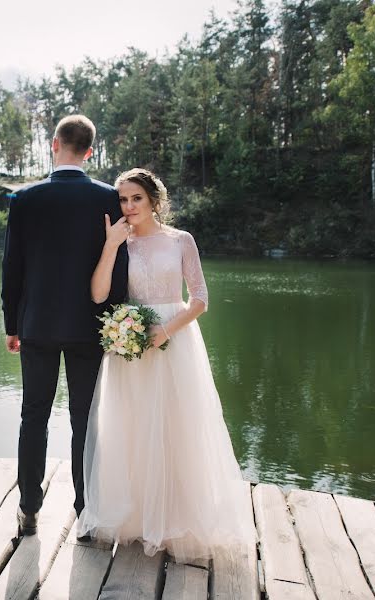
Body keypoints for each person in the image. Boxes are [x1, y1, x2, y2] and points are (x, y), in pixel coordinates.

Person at [78, 168, 255, 561]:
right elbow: (98, 294)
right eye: (122, 200)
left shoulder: (180, 240)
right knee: (133, 426)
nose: (128, 206)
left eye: (135, 198)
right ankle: (137, 518)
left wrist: (166, 331)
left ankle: (178, 517)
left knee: (177, 425)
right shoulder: (120, 243)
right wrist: (109, 247)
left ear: (153, 200)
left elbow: (201, 298)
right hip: (130, 347)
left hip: (173, 343)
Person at [2, 115, 128, 536]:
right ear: (90, 151)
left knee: (33, 416)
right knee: (84, 420)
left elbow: (12, 269)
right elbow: (119, 266)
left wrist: (11, 324)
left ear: (55, 144)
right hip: (90, 328)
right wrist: (113, 324)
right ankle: (85, 512)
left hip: (35, 324)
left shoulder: (24, 200)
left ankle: (29, 510)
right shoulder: (109, 199)